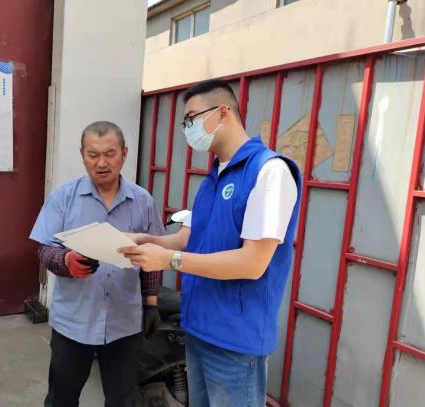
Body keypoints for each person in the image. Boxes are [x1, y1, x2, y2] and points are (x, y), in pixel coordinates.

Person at [119, 80, 301, 407]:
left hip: (234, 341)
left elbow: (252, 263)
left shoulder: (269, 172)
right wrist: (146, 240)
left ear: (223, 112)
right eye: (184, 123)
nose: (187, 129)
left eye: (191, 118)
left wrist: (169, 261)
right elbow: (188, 238)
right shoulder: (214, 178)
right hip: (198, 328)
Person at [30, 121, 165, 407]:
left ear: (124, 154)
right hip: (74, 321)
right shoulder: (64, 197)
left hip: (124, 322)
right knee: (61, 399)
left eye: (109, 153)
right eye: (93, 155)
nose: (101, 163)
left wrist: (151, 304)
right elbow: (45, 250)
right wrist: (65, 261)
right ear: (82, 155)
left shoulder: (143, 201)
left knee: (123, 400)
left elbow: (153, 255)